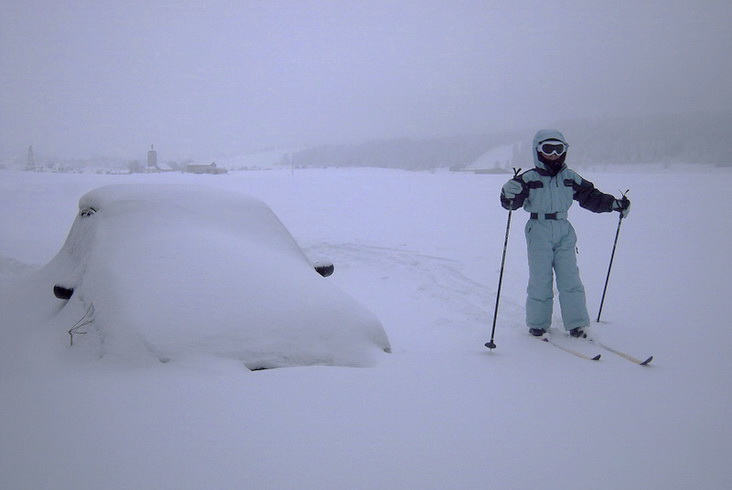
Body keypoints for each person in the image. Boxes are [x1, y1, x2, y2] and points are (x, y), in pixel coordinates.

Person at [500, 129, 630, 339]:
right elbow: (511, 204)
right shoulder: (529, 178)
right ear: (538, 151)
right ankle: (538, 324)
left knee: (570, 278)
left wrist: (613, 204)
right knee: (540, 279)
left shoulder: (569, 177)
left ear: (564, 151)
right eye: (547, 149)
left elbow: (590, 196)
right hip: (538, 229)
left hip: (563, 228)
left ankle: (577, 323)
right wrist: (507, 194)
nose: (553, 154)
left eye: (558, 149)